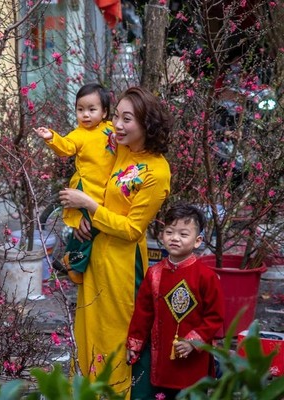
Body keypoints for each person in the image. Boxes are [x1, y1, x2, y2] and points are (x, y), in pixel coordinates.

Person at [59, 86, 173, 399]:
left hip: (121, 265)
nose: (117, 126)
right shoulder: (119, 148)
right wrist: (82, 214)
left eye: (127, 119)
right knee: (88, 329)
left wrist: (90, 207)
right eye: (117, 117)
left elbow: (133, 229)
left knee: (114, 337)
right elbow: (90, 165)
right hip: (95, 254)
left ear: (147, 124)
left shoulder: (156, 171)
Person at [126, 204, 224, 400]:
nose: (175, 238)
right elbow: (143, 313)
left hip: (193, 357)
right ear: (162, 236)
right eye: (169, 232)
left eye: (183, 234)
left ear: (197, 241)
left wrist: (192, 341)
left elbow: (215, 316)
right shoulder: (154, 274)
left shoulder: (206, 277)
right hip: (161, 355)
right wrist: (134, 344)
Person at [35, 83, 116, 284]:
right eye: (80, 110)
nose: (85, 115)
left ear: (104, 112)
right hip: (86, 189)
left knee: (96, 228)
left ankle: (75, 261)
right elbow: (66, 147)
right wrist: (51, 137)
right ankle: (73, 262)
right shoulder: (79, 134)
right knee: (89, 228)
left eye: (91, 109)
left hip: (104, 189)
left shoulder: (111, 129)